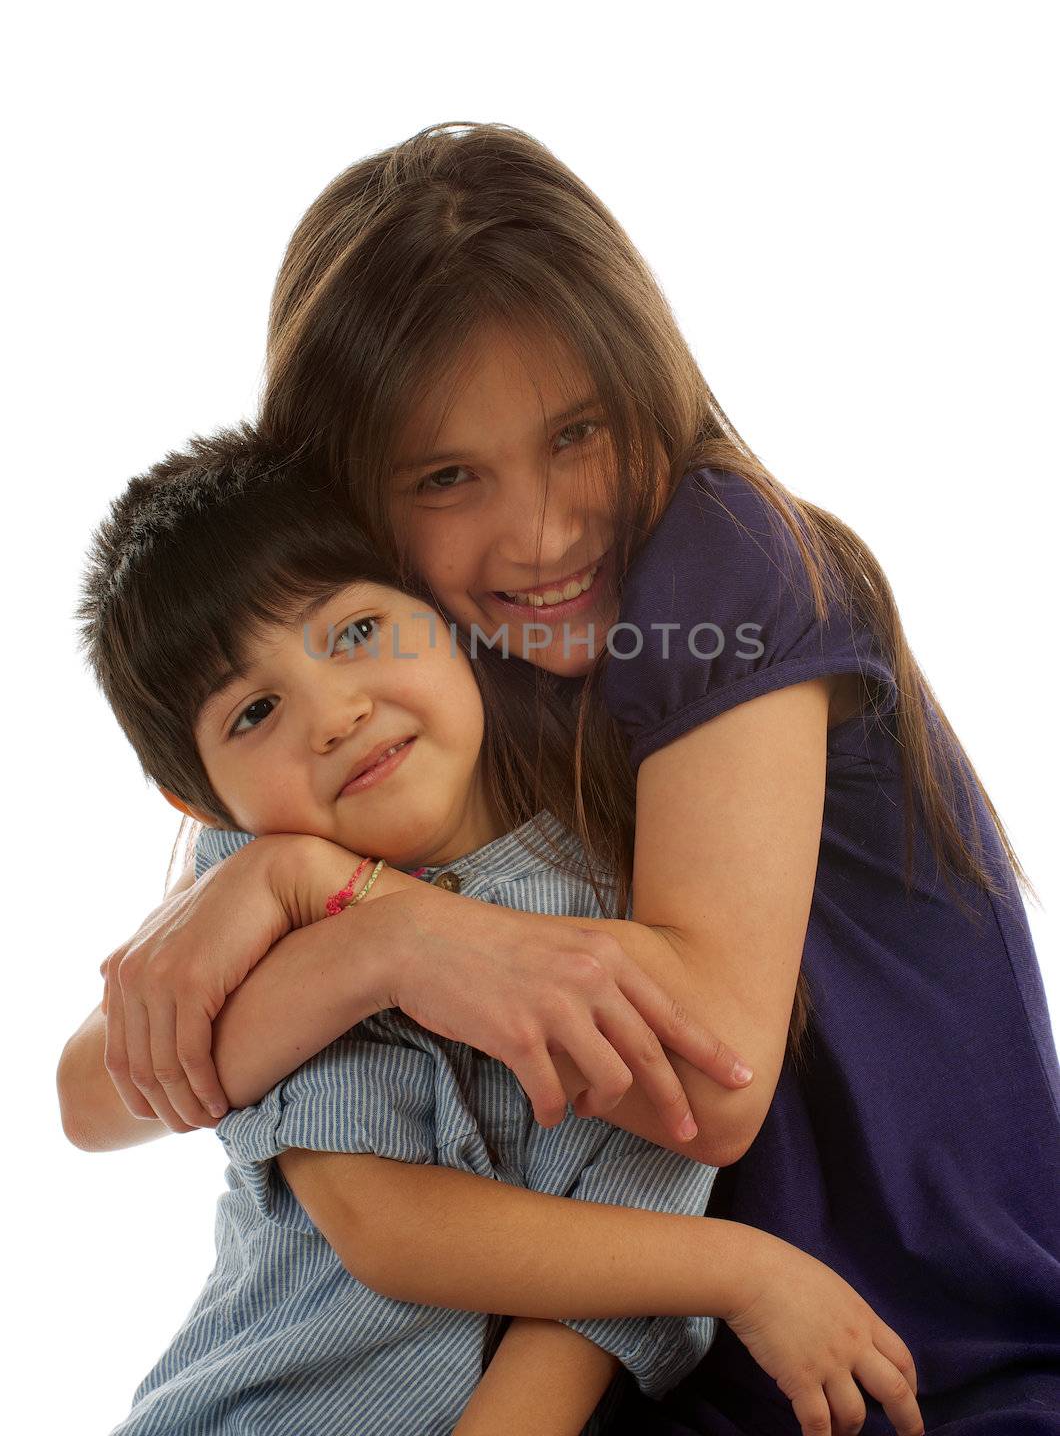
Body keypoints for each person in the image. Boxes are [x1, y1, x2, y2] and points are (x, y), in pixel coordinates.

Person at [63, 124, 1060, 1433]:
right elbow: (102, 1090)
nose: (539, 531)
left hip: (917, 1353)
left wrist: (358, 917)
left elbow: (705, 1083)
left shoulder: (715, 559)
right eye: (447, 477)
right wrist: (347, 925)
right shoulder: (373, 709)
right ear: (358, 502)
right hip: (661, 1375)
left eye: (577, 434)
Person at [65, 424, 923, 1436]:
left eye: (353, 632)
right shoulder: (262, 913)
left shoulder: (627, 893)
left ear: (445, 617)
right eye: (253, 713)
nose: (334, 713)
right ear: (199, 802)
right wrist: (748, 1273)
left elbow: (609, 1271)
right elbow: (384, 1224)